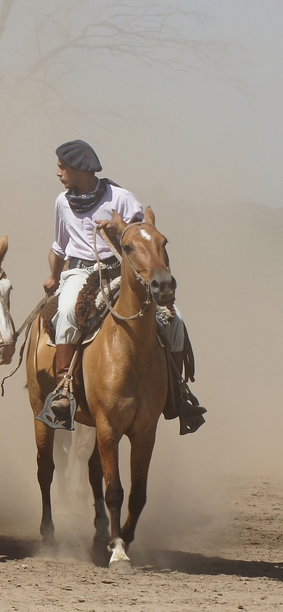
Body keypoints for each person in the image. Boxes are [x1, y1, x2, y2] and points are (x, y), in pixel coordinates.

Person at [42, 140, 204, 432]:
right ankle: (64, 387)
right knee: (66, 310)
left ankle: (178, 391)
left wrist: (117, 230)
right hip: (80, 271)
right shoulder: (61, 202)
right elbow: (59, 246)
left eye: (61, 166)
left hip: (120, 269)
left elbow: (143, 238)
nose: (58, 173)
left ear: (78, 168)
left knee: (174, 320)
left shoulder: (121, 197)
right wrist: (53, 276)